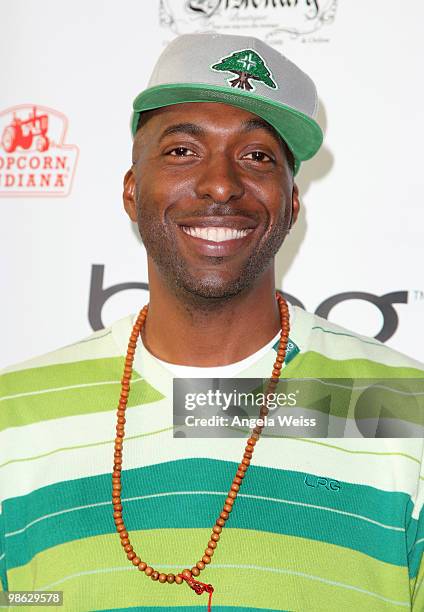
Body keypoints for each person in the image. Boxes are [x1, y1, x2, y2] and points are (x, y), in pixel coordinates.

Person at [1, 32, 423, 612]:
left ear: (292, 203)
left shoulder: (404, 408)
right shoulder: (16, 414)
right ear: (131, 192)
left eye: (256, 156)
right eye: (181, 151)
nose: (221, 183)